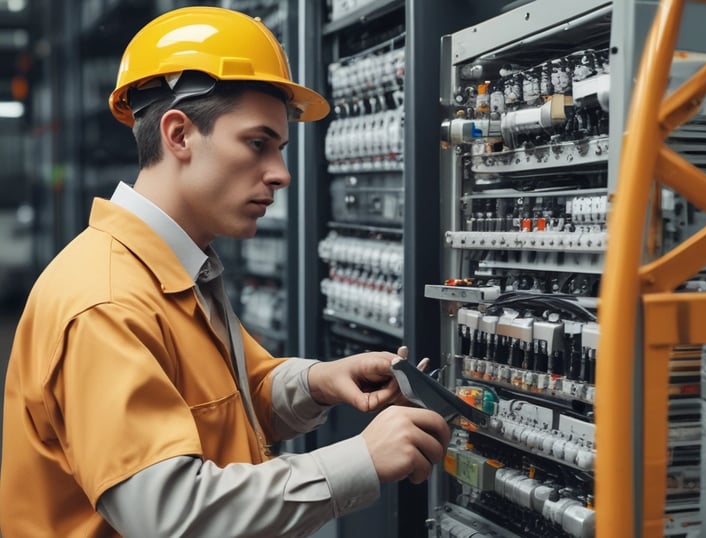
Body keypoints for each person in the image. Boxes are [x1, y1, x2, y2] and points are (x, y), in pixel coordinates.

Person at [0, 6, 450, 537]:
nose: (281, 174)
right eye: (258, 144)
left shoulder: (175, 270)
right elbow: (170, 516)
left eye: (279, 149)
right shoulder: (106, 302)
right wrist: (361, 460)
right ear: (179, 135)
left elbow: (233, 398)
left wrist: (320, 383)